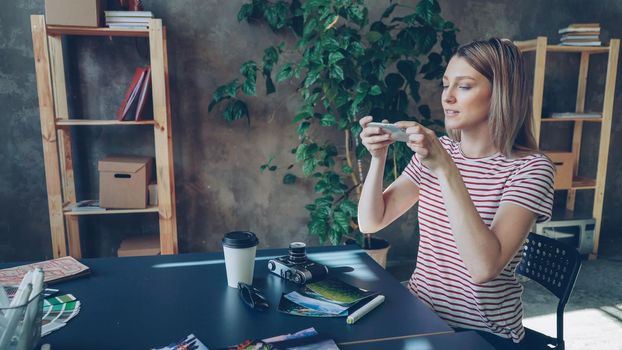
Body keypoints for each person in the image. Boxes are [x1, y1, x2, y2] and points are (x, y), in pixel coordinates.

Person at [357, 38, 555, 349]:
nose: (447, 97)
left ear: (501, 93)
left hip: (483, 333)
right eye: (445, 84)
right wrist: (378, 157)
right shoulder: (441, 151)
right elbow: (371, 222)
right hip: (419, 312)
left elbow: (483, 269)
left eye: (463, 86)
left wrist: (446, 169)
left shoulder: (530, 169)